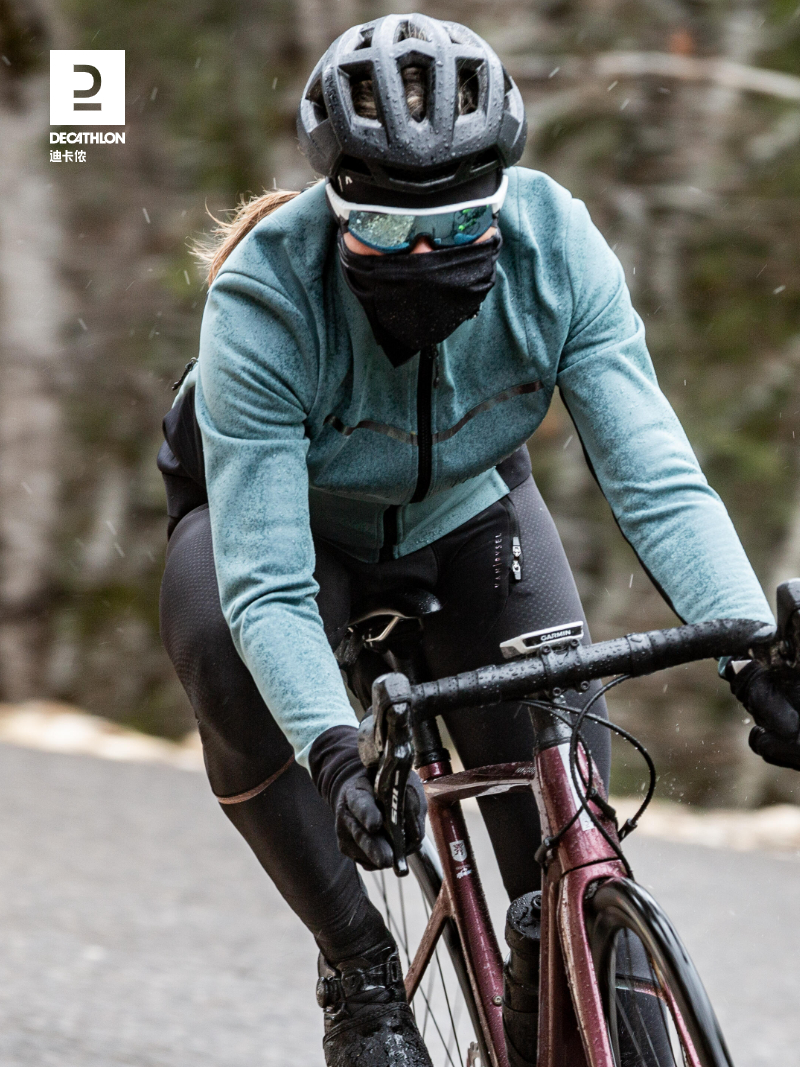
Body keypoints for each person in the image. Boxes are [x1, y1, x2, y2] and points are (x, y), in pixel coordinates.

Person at [158, 13, 800, 1067]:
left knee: (563, 853)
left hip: (464, 516)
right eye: (390, 234)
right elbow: (268, 584)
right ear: (334, 203)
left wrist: (745, 643)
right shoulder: (264, 294)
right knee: (228, 644)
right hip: (286, 539)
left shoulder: (558, 247)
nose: (426, 255)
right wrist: (334, 753)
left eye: (459, 229)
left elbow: (655, 476)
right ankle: (358, 968)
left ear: (500, 193)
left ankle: (549, 962)